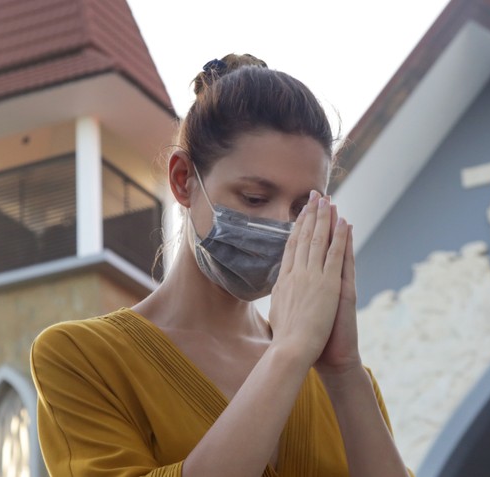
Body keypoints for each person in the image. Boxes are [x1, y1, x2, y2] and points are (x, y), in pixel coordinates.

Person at [30, 53, 411, 477]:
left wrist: (343, 372)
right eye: (253, 198)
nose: (280, 224)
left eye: (303, 206)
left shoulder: (342, 381)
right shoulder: (83, 358)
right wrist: (287, 353)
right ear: (182, 180)